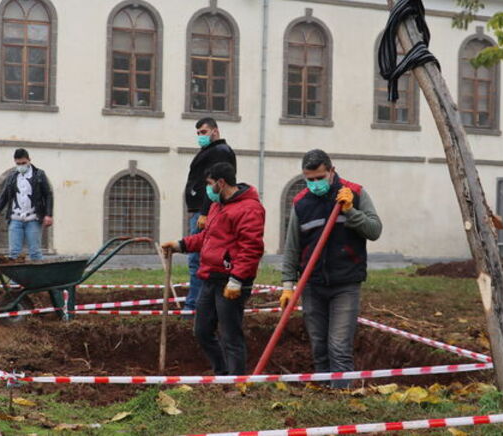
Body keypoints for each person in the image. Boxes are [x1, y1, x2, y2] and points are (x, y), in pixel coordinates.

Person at [281, 149, 382, 388]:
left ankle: (343, 398)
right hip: (312, 284)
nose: (315, 183)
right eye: (310, 179)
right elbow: (292, 247)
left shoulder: (355, 194)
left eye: (320, 177)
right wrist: (287, 285)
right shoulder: (301, 203)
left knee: (339, 346)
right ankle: (325, 395)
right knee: (319, 346)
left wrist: (351, 212)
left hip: (345, 284)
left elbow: (375, 230)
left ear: (331, 171)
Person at [162, 162, 264, 376]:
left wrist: (237, 279)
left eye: (209, 184)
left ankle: (235, 383)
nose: (208, 190)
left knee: (230, 335)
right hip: (209, 277)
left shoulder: (249, 209)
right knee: (202, 331)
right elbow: (207, 238)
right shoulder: (218, 205)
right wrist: (181, 244)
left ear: (221, 182)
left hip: (231, 281)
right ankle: (222, 373)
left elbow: (251, 248)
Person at [182, 118, 236, 312]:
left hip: (204, 212)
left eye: (203, 132)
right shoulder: (210, 151)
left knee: (197, 260)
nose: (200, 136)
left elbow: (213, 184)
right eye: (198, 133)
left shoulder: (220, 152)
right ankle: (196, 303)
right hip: (198, 211)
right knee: (196, 259)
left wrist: (204, 212)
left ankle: (193, 306)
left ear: (215, 131)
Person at [0, 148, 53, 261]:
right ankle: (16, 279)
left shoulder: (39, 175)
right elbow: (4, 197)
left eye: (23, 163)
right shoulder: (12, 177)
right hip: (15, 218)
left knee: (35, 252)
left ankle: (39, 278)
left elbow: (48, 195)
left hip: (33, 218)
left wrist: (48, 214)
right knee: (14, 253)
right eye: (18, 164)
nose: (21, 166)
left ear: (29, 160)